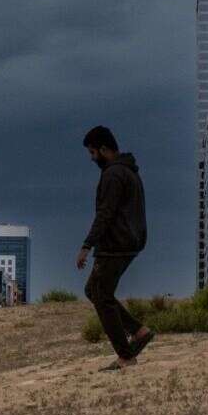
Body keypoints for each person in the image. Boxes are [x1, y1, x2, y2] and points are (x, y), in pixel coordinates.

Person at [77, 125, 153, 370]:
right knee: (96, 290)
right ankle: (138, 331)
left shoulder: (113, 174)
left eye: (92, 153)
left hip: (115, 245)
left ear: (103, 149)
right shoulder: (129, 171)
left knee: (100, 294)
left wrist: (87, 245)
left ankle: (126, 355)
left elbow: (105, 214)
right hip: (130, 242)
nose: (92, 159)